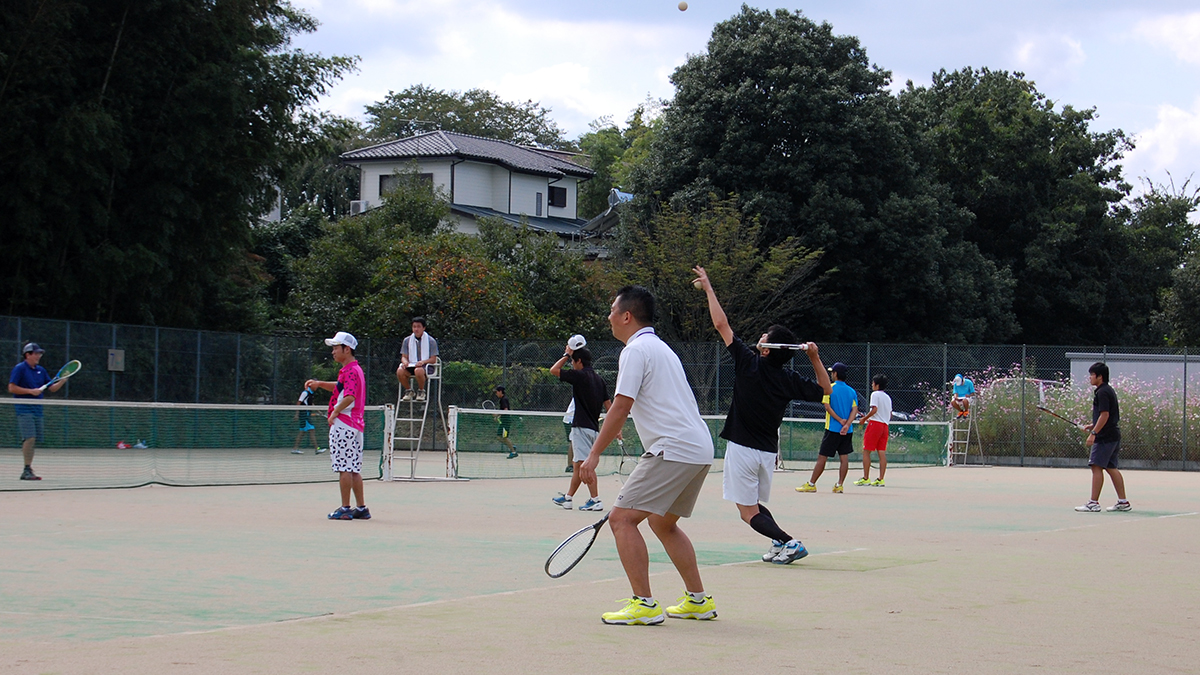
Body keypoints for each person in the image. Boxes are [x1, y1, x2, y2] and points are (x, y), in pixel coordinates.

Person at [579, 285, 717, 626]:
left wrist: (593, 455)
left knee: (621, 519)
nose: (609, 317)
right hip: (699, 448)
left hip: (674, 448)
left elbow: (621, 405)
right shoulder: (662, 349)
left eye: (612, 311)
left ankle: (644, 604)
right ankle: (698, 601)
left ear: (627, 316)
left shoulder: (636, 350)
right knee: (661, 521)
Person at [694, 266, 830, 565]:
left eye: (764, 337)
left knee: (747, 512)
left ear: (768, 349)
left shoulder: (748, 362)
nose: (759, 338)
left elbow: (720, 323)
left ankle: (789, 541)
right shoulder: (788, 379)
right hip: (767, 452)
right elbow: (826, 388)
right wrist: (815, 357)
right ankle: (779, 543)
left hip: (743, 449)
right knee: (753, 506)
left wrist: (708, 288)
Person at [306, 331, 370, 521]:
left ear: (347, 349)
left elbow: (349, 396)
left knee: (344, 468)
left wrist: (334, 412)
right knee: (353, 469)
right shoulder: (353, 370)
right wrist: (319, 384)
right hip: (356, 426)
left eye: (336, 348)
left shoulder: (350, 371)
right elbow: (341, 388)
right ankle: (361, 508)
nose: (333, 352)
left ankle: (345, 508)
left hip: (344, 424)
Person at [551, 344, 611, 512]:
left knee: (585, 466)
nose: (571, 364)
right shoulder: (599, 380)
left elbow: (554, 370)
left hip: (581, 428)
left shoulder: (579, 376)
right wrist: (617, 428)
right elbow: (609, 406)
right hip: (593, 429)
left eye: (572, 361)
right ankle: (568, 498)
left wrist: (566, 354)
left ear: (578, 361)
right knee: (578, 466)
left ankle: (596, 499)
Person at [1076, 362, 1131, 513]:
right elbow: (1106, 416)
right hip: (1112, 434)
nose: (1090, 378)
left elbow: (1105, 414)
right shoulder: (1107, 390)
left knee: (1096, 466)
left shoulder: (1102, 392)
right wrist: (1092, 425)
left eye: (1092, 375)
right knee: (1111, 467)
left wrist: (1093, 433)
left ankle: (1093, 503)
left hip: (1105, 437)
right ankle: (1123, 502)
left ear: (1099, 377)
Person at [796, 362, 858, 493]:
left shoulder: (828, 388)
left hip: (832, 429)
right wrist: (847, 425)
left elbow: (827, 407)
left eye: (832, 372)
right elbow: (854, 410)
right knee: (844, 458)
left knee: (822, 457)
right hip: (847, 431)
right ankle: (839, 485)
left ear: (835, 374)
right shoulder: (851, 391)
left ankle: (811, 484)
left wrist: (840, 420)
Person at [8, 343, 65, 480]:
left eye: (40, 353)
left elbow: (52, 388)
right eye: (36, 353)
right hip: (24, 407)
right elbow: (11, 388)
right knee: (30, 437)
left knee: (34, 439)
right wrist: (30, 391)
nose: (39, 356)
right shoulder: (20, 368)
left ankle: (28, 469)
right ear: (28, 355)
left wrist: (63, 380)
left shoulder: (41, 370)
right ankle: (26, 469)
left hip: (37, 408)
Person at [854, 374, 892, 487]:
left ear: (877, 384)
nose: (872, 385)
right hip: (885, 426)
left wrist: (865, 419)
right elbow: (889, 414)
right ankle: (881, 479)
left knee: (866, 451)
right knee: (881, 452)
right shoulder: (888, 397)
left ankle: (866, 478)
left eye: (873, 383)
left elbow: (874, 409)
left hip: (875, 425)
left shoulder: (875, 394)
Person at [397, 317, 439, 402]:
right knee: (399, 371)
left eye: (419, 326)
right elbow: (404, 356)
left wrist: (423, 362)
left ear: (424, 328)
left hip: (427, 367)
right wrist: (405, 362)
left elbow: (433, 359)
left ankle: (421, 391)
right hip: (411, 366)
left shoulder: (431, 341)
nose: (416, 329)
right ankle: (409, 390)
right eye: (414, 326)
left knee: (418, 370)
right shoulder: (407, 340)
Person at [494, 386, 518, 459]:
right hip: (503, 421)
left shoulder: (503, 399)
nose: (496, 393)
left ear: (500, 391)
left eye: (497, 392)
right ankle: (511, 445)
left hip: (506, 422)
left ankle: (513, 452)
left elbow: (505, 410)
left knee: (504, 437)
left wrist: (497, 414)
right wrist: (498, 417)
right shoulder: (502, 399)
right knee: (498, 437)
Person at [562, 400, 575, 473]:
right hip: (570, 419)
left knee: (577, 441)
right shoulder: (581, 392)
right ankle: (570, 466)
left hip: (576, 419)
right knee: (573, 441)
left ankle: (576, 464)